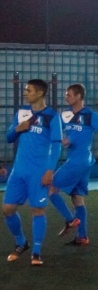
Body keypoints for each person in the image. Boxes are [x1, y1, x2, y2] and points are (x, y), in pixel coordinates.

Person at [3, 79, 63, 266]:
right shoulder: (22, 113)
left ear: (40, 93)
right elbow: (9, 138)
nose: (25, 93)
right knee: (7, 209)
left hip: (38, 171)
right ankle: (21, 242)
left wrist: (50, 171)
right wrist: (17, 129)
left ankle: (36, 252)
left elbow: (56, 145)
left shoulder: (52, 117)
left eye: (28, 90)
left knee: (37, 210)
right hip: (19, 170)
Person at [47, 83, 98, 246]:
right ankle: (82, 237)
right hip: (82, 160)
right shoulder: (65, 115)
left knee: (50, 187)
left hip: (79, 160)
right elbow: (56, 131)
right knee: (77, 198)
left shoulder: (89, 115)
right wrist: (63, 139)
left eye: (69, 94)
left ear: (78, 97)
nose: (66, 97)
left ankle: (70, 220)